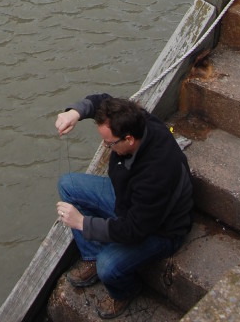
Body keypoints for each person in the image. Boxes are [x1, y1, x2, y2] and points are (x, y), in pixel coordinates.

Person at [55, 93, 193, 320]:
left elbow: (134, 230)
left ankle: (125, 291)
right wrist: (75, 113)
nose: (105, 146)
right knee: (68, 185)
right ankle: (90, 255)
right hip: (127, 200)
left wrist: (82, 222)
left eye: (109, 144)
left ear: (128, 139)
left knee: (107, 265)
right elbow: (102, 102)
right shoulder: (137, 119)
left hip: (161, 229)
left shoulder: (156, 173)